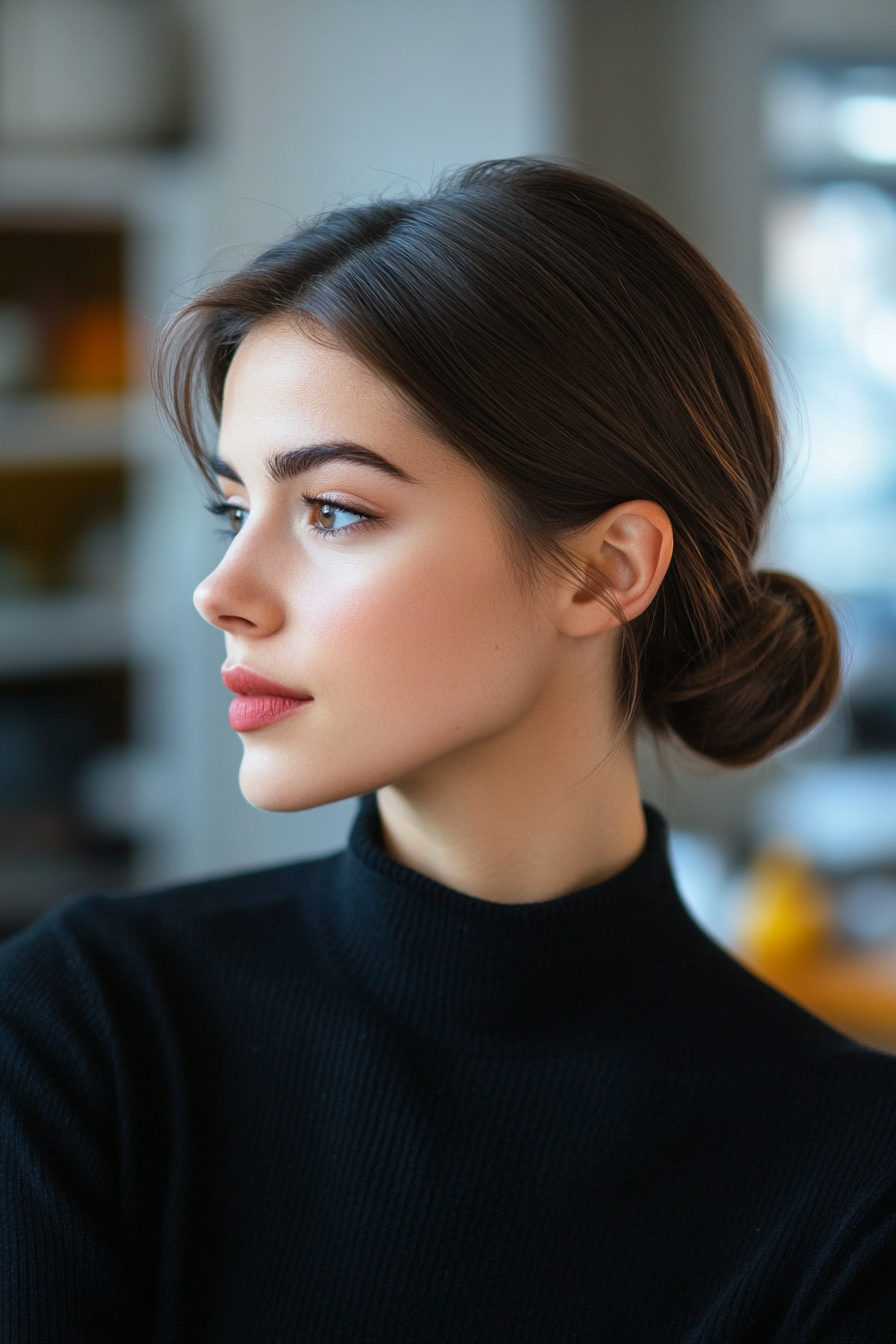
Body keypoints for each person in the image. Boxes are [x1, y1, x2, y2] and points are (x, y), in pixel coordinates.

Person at [2, 160, 894, 1344]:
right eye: (235, 509)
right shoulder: (85, 1028)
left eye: (332, 512)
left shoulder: (849, 1177)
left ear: (605, 568)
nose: (223, 591)